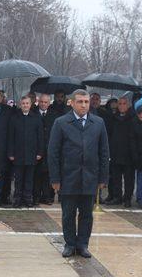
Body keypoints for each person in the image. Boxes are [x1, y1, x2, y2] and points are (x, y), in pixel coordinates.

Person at [48, 89, 109, 258]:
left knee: (86, 214)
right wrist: (55, 178)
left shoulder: (98, 123)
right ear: (72, 103)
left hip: (90, 176)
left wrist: (103, 178)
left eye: (86, 102)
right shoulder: (61, 123)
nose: (83, 105)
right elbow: (53, 152)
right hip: (68, 176)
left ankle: (82, 244)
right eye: (80, 102)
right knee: (68, 213)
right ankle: (70, 244)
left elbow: (104, 152)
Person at [8, 95, 43, 208]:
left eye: (27, 103)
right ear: (20, 104)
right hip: (18, 154)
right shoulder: (14, 118)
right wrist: (11, 153)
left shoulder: (36, 118)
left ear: (31, 104)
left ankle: (28, 199)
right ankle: (17, 199)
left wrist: (40, 152)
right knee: (18, 179)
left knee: (29, 179)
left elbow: (40, 137)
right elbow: (10, 137)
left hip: (32, 154)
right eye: (23, 103)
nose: (25, 105)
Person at [105, 97, 135, 207]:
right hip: (116, 152)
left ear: (128, 105)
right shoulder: (113, 118)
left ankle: (127, 198)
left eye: (124, 104)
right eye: (120, 104)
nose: (122, 106)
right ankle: (117, 196)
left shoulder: (133, 118)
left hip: (128, 153)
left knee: (129, 179)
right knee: (115, 177)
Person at [33, 93, 57, 205]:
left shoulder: (54, 115)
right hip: (36, 149)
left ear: (49, 103)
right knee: (36, 174)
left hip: (49, 149)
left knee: (48, 175)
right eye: (41, 102)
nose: (43, 104)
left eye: (45, 102)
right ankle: (36, 197)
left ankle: (47, 197)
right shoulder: (33, 113)